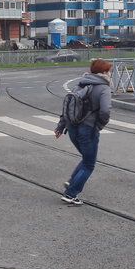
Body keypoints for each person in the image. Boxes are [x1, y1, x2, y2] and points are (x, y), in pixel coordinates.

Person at [53, 58, 112, 206]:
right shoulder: (104, 88)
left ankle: (71, 182)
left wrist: (60, 127)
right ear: (104, 72)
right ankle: (71, 194)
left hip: (72, 127)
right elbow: (105, 111)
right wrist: (99, 125)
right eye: (108, 70)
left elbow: (67, 107)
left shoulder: (80, 84)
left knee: (86, 158)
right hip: (88, 129)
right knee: (89, 164)